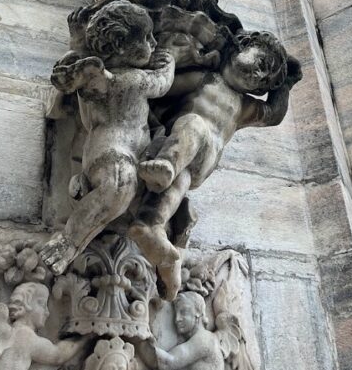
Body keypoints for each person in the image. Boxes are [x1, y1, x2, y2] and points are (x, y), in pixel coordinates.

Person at [129, 32, 300, 299]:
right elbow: (159, 89)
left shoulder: (244, 106)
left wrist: (286, 84)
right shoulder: (206, 79)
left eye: (265, 78)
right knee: (179, 182)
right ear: (239, 47)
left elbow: (274, 115)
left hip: (204, 157)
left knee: (190, 143)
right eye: (261, 62)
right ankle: (150, 225)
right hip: (183, 148)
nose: (258, 74)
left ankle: (165, 168)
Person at [41, 1, 175, 277]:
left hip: (113, 149)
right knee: (119, 184)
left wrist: (78, 40)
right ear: (121, 46)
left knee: (123, 189)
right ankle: (69, 241)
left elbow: (76, 57)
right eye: (146, 38)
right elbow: (162, 83)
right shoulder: (131, 80)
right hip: (115, 151)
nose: (153, 43)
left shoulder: (96, 79)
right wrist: (169, 64)